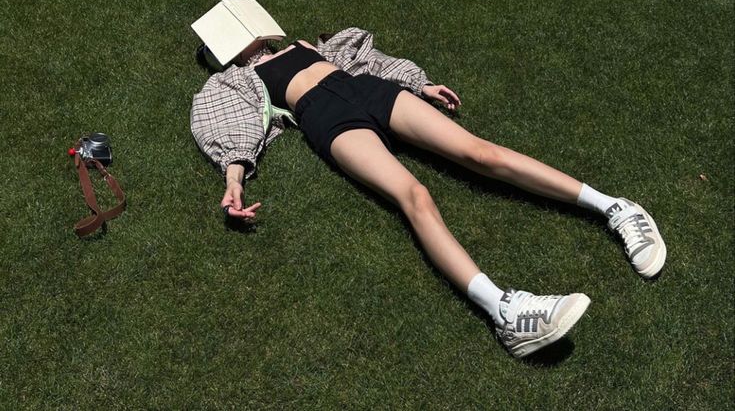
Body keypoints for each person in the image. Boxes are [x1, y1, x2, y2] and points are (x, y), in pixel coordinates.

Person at [191, 26, 666, 359]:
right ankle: (505, 312)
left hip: (366, 90)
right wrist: (233, 179)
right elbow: (231, 124)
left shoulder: (304, 43)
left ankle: (615, 207)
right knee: (412, 195)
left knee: (482, 154)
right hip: (325, 118)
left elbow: (367, 60)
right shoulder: (233, 81)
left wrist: (420, 83)